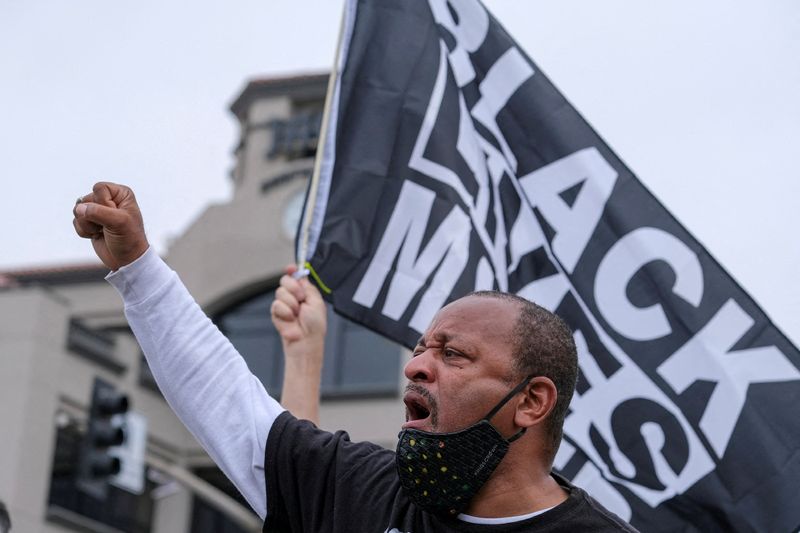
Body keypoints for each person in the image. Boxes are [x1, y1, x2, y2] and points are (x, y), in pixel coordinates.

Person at [73, 182, 638, 532]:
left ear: (533, 401)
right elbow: (226, 400)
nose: (416, 366)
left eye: (454, 354)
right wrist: (139, 268)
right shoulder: (365, 491)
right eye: (419, 350)